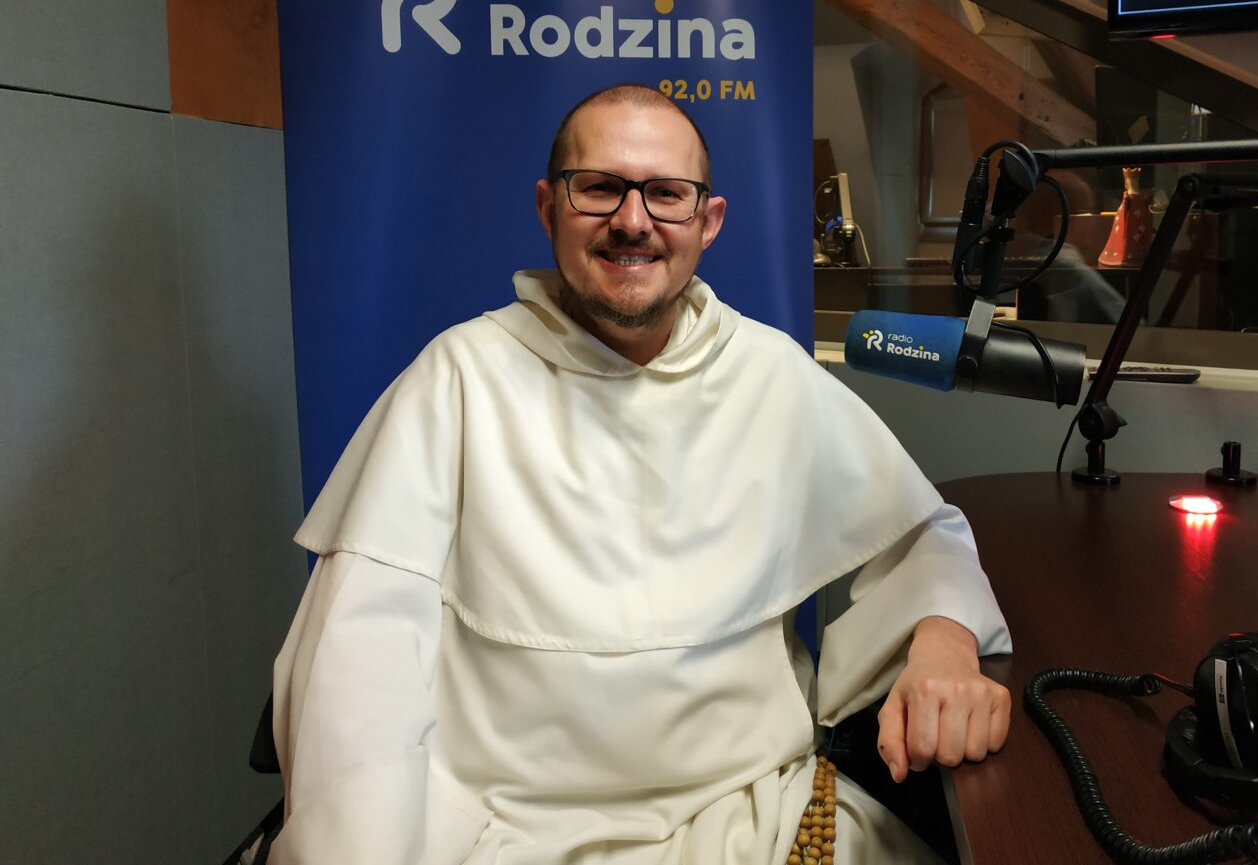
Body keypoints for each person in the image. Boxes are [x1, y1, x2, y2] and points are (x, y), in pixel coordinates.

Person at [270, 84, 1013, 864]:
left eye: (666, 194)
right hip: (501, 828)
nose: (632, 220)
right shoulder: (458, 379)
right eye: (599, 188)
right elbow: (360, 652)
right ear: (548, 208)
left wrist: (943, 648)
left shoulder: (769, 373)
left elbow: (921, 537)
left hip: (754, 814)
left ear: (708, 221)